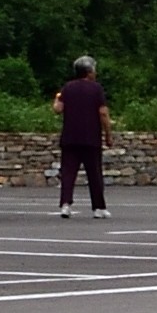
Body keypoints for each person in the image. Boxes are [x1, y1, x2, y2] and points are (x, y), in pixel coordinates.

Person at [53, 52, 107, 217]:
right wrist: (109, 134)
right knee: (94, 173)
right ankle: (98, 208)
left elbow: (58, 109)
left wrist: (56, 99)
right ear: (89, 71)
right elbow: (103, 113)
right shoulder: (96, 88)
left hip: (70, 137)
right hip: (91, 137)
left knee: (68, 173)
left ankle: (65, 204)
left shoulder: (67, 87)